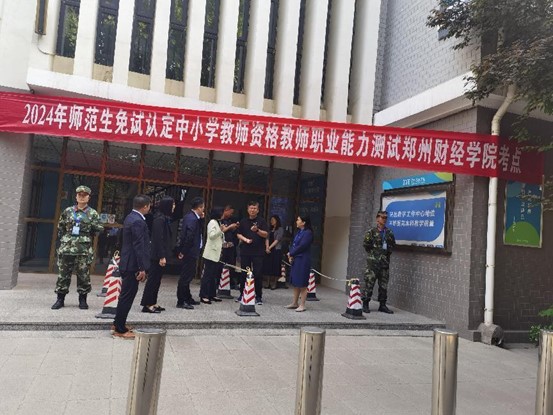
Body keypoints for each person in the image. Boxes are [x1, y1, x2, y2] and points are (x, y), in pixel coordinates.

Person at [51, 185, 104, 310]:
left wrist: (88, 229)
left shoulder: (92, 213)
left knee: (83, 275)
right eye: (79, 195)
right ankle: (60, 299)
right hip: (67, 248)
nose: (82, 197)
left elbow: (99, 229)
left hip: (83, 250)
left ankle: (82, 300)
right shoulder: (68, 211)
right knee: (63, 275)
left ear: (88, 198)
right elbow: (61, 227)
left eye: (84, 195)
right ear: (76, 197)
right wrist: (67, 239)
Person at [112, 195, 152, 339]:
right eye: (149, 206)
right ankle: (120, 329)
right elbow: (139, 245)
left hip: (128, 261)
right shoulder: (138, 221)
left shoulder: (130, 217)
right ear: (145, 206)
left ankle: (118, 323)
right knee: (127, 296)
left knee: (125, 295)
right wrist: (142, 268)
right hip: (132, 264)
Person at [140, 196, 175, 313]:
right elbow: (158, 239)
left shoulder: (164, 218)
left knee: (157, 280)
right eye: (173, 204)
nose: (174, 207)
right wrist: (161, 256)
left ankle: (153, 302)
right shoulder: (159, 219)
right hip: (156, 255)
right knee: (153, 279)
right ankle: (147, 304)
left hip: (160, 254)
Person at [362, 210, 396, 314]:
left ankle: (382, 305)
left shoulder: (389, 233)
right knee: (369, 284)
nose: (384, 219)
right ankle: (365, 304)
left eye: (386, 218)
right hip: (373, 264)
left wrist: (384, 256)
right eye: (382, 217)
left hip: (384, 264)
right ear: (377, 219)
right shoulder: (371, 232)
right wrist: (375, 255)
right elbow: (366, 245)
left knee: (383, 286)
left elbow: (391, 247)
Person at [237, 201, 268, 305]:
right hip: (245, 251)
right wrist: (245, 240)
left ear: (258, 210)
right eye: (251, 208)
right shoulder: (243, 221)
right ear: (248, 209)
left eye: (255, 208)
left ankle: (258, 296)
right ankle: (242, 294)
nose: (252, 210)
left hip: (258, 252)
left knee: (258, 274)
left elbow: (266, 234)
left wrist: (257, 230)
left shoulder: (262, 221)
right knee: (244, 273)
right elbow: (238, 234)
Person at [176, 196, 205, 309]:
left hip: (191, 250)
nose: (203, 209)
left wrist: (201, 219)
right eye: (202, 207)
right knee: (186, 276)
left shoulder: (192, 217)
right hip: (190, 251)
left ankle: (187, 297)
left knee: (189, 275)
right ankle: (181, 300)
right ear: (199, 207)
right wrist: (183, 251)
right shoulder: (192, 219)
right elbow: (189, 236)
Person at [199, 206, 228, 304]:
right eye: (222, 213)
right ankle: (204, 295)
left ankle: (212, 294)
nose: (223, 215)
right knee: (207, 275)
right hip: (211, 253)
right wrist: (221, 230)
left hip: (216, 253)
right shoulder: (212, 222)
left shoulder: (218, 222)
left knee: (213, 275)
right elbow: (211, 236)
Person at [285, 215, 313, 312]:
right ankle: (295, 302)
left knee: (302, 282)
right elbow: (294, 244)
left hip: (303, 259)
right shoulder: (299, 232)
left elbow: (302, 246)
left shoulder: (308, 233)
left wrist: (291, 253)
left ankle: (302, 304)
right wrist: (291, 254)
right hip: (296, 259)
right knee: (296, 282)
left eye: (298, 220)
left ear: (303, 222)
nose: (296, 221)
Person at [220, 205, 240, 290]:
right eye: (230, 213)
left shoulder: (231, 220)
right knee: (221, 264)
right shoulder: (220, 220)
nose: (231, 215)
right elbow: (222, 230)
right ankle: (219, 282)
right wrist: (230, 227)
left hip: (231, 245)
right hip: (223, 246)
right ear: (226, 210)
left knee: (231, 265)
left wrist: (235, 227)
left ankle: (231, 282)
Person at [264, 215, 284, 290]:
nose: (271, 221)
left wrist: (270, 247)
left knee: (275, 266)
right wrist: (267, 247)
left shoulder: (280, 229)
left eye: (273, 220)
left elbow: (277, 240)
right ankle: (267, 282)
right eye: (271, 220)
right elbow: (267, 238)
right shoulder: (269, 229)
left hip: (276, 249)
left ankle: (274, 283)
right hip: (268, 250)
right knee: (268, 266)